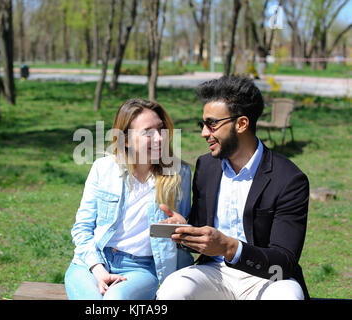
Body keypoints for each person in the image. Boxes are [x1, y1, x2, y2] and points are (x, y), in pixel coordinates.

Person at [156, 75, 310, 300]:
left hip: (268, 276)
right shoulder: (206, 166)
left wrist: (230, 248)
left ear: (241, 124)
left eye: (212, 124)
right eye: (203, 124)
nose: (204, 133)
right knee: (172, 290)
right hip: (214, 271)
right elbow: (204, 231)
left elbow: (284, 260)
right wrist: (186, 230)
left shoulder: (289, 179)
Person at [65, 98, 193, 300]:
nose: (160, 138)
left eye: (161, 129)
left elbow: (184, 237)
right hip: (91, 263)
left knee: (115, 300)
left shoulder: (179, 174)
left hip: (141, 269)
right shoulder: (103, 169)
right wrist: (98, 269)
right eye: (148, 132)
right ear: (125, 139)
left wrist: (184, 229)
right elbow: (82, 228)